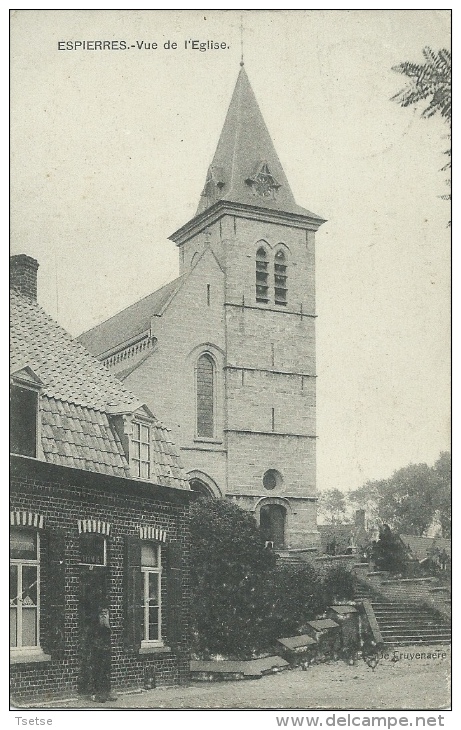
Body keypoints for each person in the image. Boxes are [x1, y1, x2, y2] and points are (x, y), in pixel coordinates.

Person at [90, 606, 117, 702]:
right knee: (97, 671)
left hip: (106, 649)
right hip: (97, 650)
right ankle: (95, 693)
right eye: (102, 614)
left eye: (106, 613)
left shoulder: (107, 625)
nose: (104, 615)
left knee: (106, 671)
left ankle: (106, 692)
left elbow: (109, 633)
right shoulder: (95, 625)